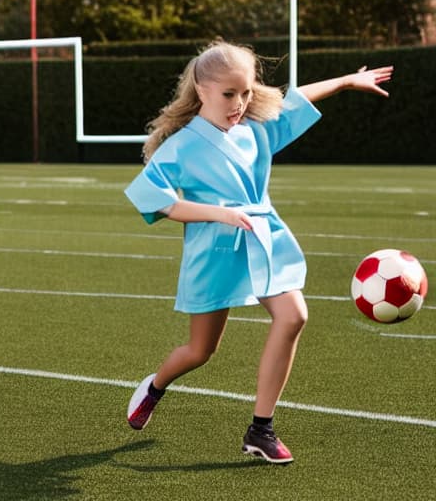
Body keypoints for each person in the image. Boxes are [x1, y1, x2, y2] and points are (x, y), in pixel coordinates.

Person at [124, 40, 393, 464]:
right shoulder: (182, 145)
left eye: (246, 92)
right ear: (202, 88)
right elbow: (157, 200)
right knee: (201, 352)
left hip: (265, 238)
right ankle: (155, 386)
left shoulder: (256, 128)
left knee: (293, 316)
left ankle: (260, 429)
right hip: (213, 251)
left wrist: (345, 82)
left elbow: (296, 99)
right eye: (229, 94)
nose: (240, 102)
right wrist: (220, 214)